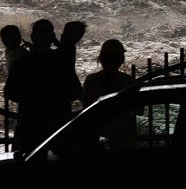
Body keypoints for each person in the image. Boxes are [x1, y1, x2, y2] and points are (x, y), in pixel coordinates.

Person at [3, 19, 82, 155]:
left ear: (33, 37)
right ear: (52, 38)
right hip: (58, 127)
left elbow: (10, 93)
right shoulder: (63, 63)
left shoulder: (21, 64)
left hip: (29, 127)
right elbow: (74, 92)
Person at [81, 39, 135, 107]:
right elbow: (137, 108)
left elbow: (86, 106)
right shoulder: (128, 81)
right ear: (122, 60)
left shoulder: (91, 80)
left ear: (101, 59)